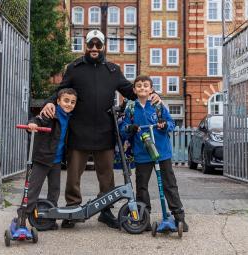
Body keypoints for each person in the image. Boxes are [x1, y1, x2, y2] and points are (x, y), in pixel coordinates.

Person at [41, 30, 161, 229]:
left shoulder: (112, 70)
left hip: (105, 130)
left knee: (106, 176)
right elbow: (60, 90)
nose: (94, 48)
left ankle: (105, 211)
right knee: (73, 175)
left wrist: (152, 94)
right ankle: (72, 210)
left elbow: (130, 91)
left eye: (98, 45)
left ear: (103, 46)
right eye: (91, 44)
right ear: (86, 45)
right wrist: (48, 103)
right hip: (79, 129)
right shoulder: (74, 68)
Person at [120, 75, 188, 232]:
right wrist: (129, 128)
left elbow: (171, 123)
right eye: (139, 86)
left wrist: (164, 126)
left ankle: (179, 218)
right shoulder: (131, 108)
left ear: (151, 89)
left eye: (145, 85)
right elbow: (123, 129)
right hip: (142, 153)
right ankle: (144, 218)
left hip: (162, 152)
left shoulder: (158, 105)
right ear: (134, 90)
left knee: (169, 184)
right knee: (141, 186)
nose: (142, 88)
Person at [21, 88, 77, 230]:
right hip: (42, 158)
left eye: (72, 102)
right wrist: (32, 124)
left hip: (56, 161)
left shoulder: (71, 118)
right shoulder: (51, 113)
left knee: (54, 190)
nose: (69, 104)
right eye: (66, 101)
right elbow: (38, 119)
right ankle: (21, 218)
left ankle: (50, 219)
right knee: (33, 189)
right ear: (58, 101)